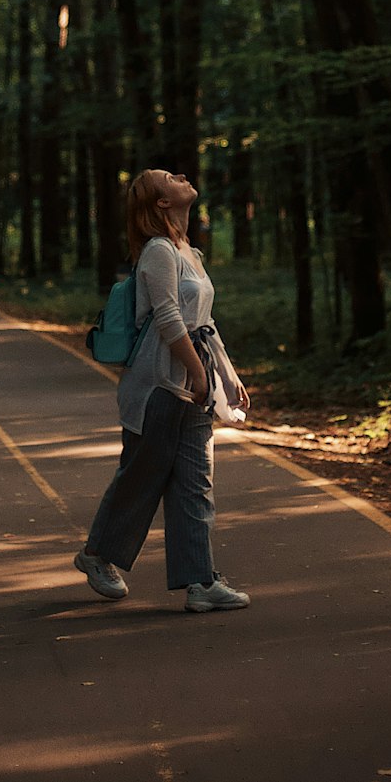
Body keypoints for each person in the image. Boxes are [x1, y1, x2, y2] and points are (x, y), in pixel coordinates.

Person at [74, 169, 252, 613]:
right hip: (158, 384)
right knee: (141, 476)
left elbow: (204, 323)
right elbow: (170, 319)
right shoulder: (157, 251)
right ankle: (97, 555)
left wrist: (227, 376)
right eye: (170, 177)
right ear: (161, 203)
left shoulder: (188, 251)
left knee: (196, 483)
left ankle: (200, 582)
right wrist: (196, 373)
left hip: (196, 382)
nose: (183, 176)